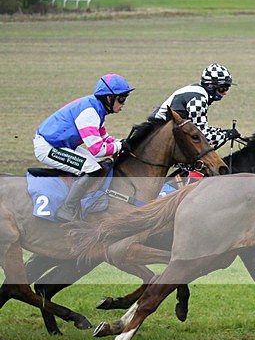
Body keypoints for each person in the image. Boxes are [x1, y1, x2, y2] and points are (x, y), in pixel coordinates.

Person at [33, 73, 135, 221]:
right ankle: (67, 209)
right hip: (48, 147)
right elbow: (97, 149)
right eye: (121, 98)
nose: (123, 103)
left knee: (99, 165)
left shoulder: (97, 108)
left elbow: (105, 138)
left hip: (62, 145)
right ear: (109, 98)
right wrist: (119, 146)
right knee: (91, 169)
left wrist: (122, 142)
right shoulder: (89, 113)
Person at [149, 63, 239, 149]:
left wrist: (222, 132)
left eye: (227, 89)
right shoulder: (198, 100)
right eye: (222, 88)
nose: (225, 93)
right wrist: (226, 135)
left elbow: (199, 128)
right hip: (156, 136)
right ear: (210, 86)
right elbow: (201, 136)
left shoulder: (197, 91)